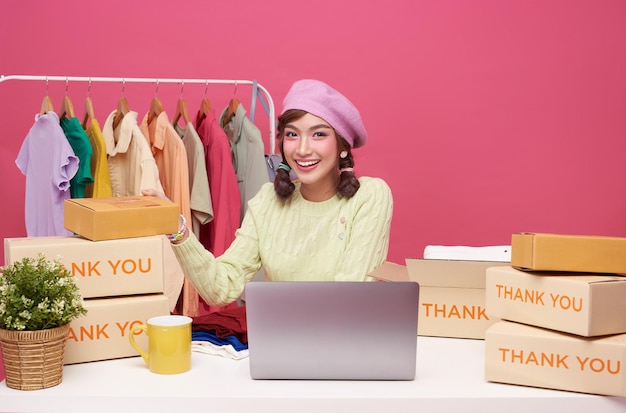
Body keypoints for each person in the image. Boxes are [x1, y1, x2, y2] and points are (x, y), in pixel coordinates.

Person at [143, 79, 393, 307]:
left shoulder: (370, 196)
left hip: (344, 349)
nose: (303, 149)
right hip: (281, 347)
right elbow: (222, 286)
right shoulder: (268, 201)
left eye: (318, 134)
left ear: (341, 146)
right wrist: (177, 227)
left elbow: (350, 297)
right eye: (292, 135)